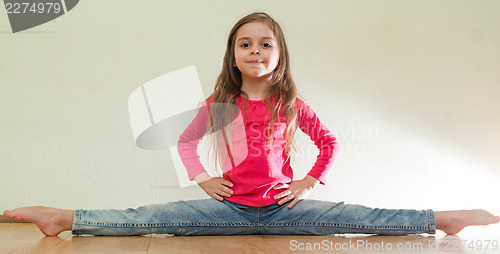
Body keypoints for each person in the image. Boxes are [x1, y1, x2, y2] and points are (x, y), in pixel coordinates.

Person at [3, 12, 499, 237]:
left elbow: (329, 143)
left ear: (279, 54)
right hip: (229, 212)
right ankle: (65, 217)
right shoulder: (220, 101)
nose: (255, 50)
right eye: (246, 43)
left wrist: (308, 181)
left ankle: (440, 219)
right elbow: (185, 140)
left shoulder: (291, 103)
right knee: (148, 218)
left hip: (284, 212)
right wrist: (201, 177)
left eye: (265, 43)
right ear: (233, 54)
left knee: (361, 218)